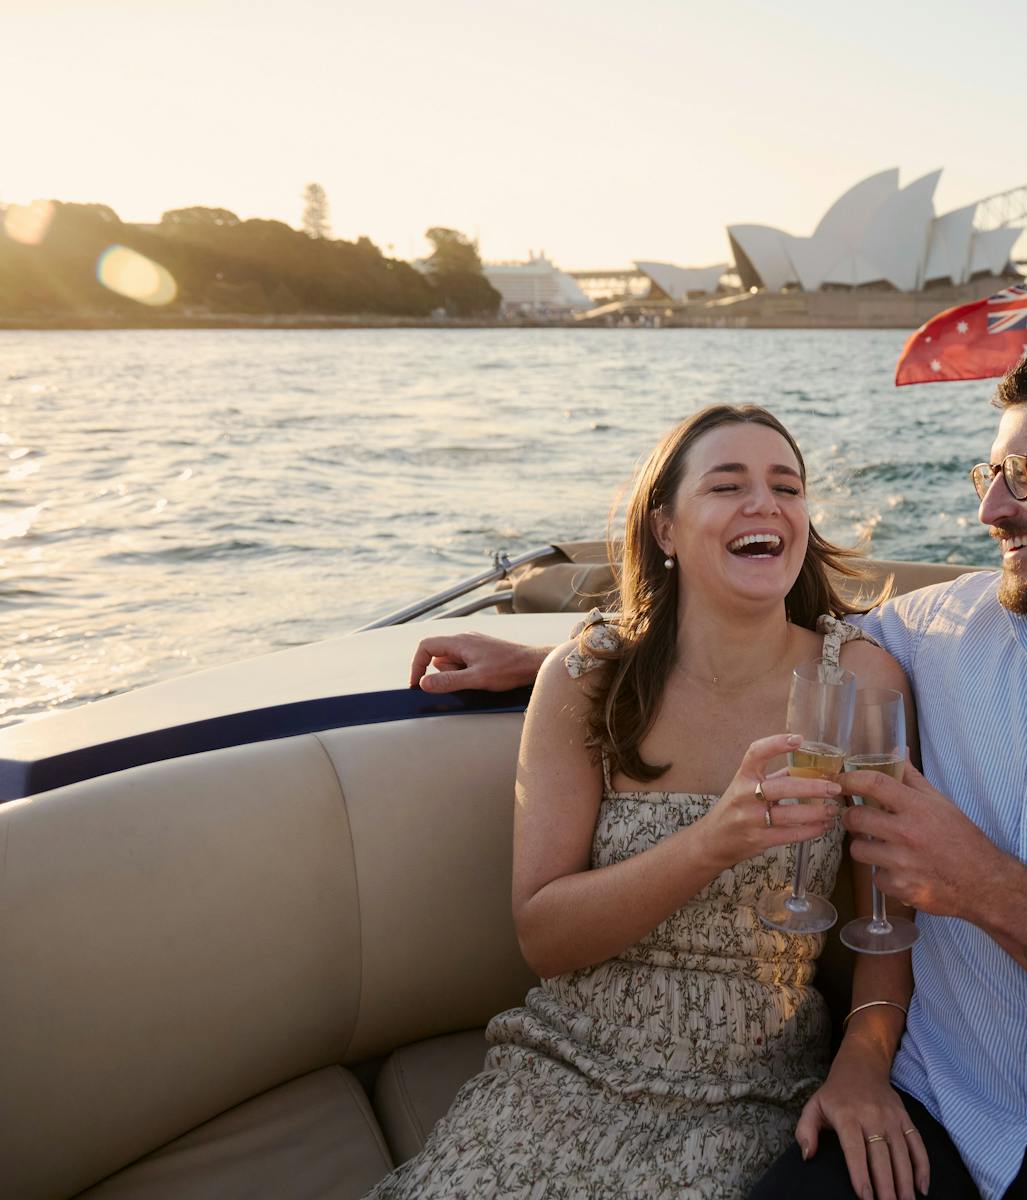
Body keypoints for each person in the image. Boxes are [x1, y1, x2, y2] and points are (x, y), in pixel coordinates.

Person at [412, 349, 1027, 1200]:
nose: (986, 507)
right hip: (948, 1126)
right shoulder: (938, 635)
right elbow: (742, 649)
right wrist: (553, 664)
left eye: (1023, 472)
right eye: (989, 469)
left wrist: (985, 889)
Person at [376, 404, 928, 1200]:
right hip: (569, 1069)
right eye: (727, 485)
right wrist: (712, 842)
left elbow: (887, 929)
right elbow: (545, 936)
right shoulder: (585, 679)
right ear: (665, 527)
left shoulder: (862, 683)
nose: (765, 504)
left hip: (755, 1084)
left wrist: (864, 1065)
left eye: (787, 486)